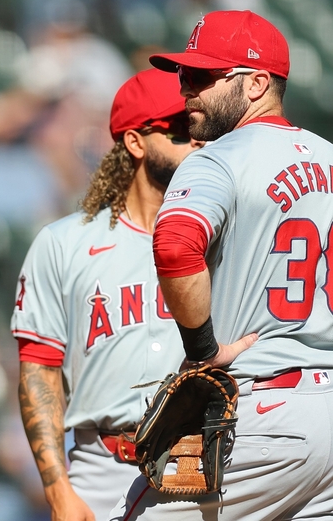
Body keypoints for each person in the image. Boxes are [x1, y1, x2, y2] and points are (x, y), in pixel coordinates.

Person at [111, 10, 333, 519]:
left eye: (203, 77)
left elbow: (173, 246)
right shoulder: (329, 157)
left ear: (257, 84)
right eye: (185, 75)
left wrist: (203, 350)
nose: (186, 90)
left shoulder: (218, 158)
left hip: (261, 412)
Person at [11, 68, 204, 520]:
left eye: (199, 129)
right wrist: (58, 489)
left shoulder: (224, 238)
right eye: (178, 132)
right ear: (135, 142)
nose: (196, 142)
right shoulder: (64, 244)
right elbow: (39, 371)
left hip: (202, 461)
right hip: (102, 467)